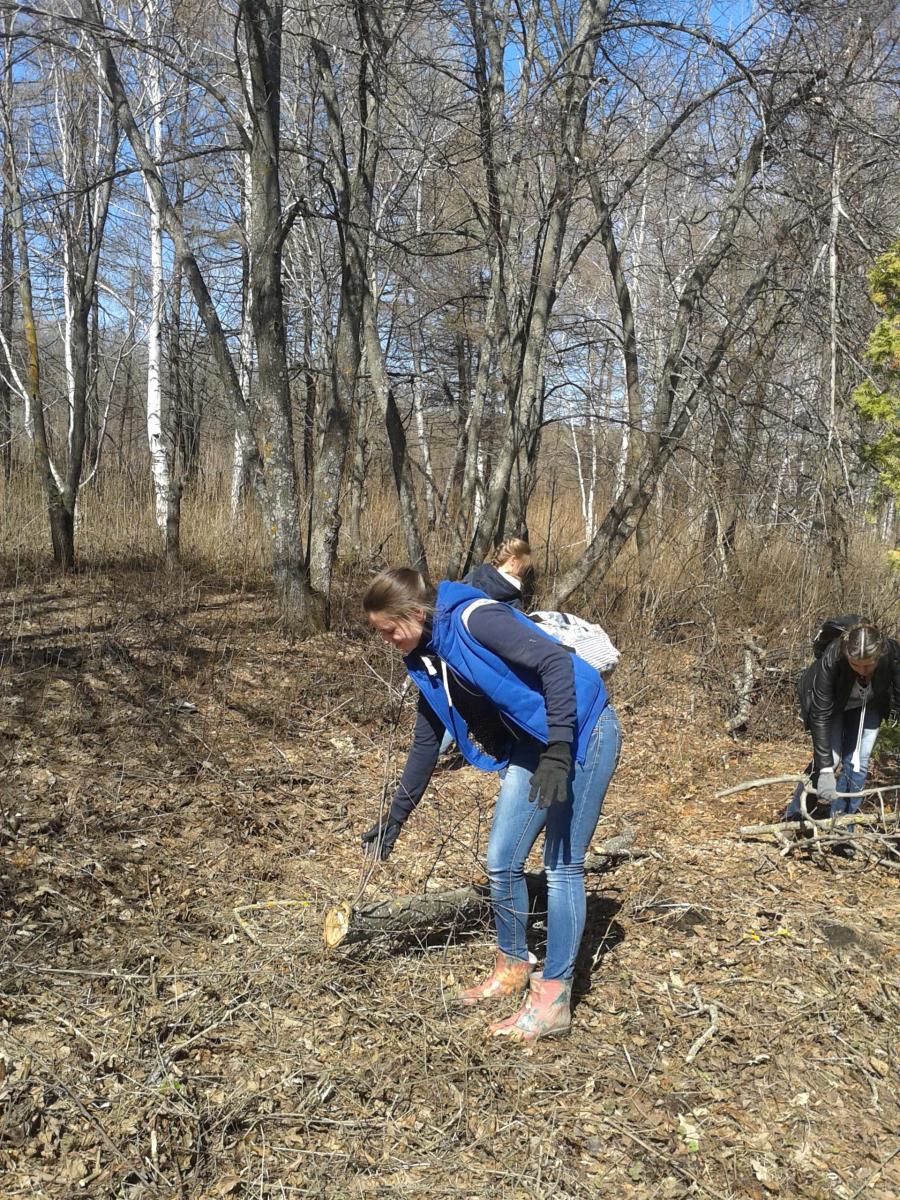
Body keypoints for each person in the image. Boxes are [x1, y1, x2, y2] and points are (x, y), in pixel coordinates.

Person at [360, 568, 621, 1042]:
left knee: (561, 865)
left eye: (388, 628)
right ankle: (513, 967)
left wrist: (560, 748)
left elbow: (556, 665)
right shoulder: (424, 658)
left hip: (581, 731)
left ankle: (554, 999)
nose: (386, 639)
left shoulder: (476, 620)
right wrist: (395, 818)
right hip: (533, 743)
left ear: (416, 613)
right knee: (502, 859)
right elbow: (426, 742)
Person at [786, 622, 900, 826]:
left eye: (869, 665)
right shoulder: (832, 658)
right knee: (832, 757)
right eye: (856, 664)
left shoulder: (892, 653)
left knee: (858, 761)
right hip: (833, 704)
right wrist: (827, 771)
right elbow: (820, 714)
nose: (863, 671)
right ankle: (796, 814)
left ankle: (843, 824)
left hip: (869, 704)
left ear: (880, 654)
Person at [463, 538, 532, 611]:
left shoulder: (473, 576)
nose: (523, 573)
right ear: (513, 561)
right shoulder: (513, 598)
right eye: (523, 568)